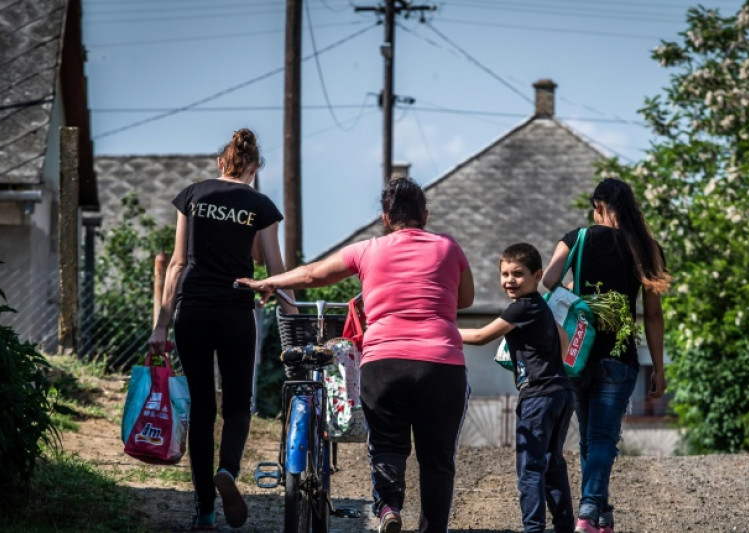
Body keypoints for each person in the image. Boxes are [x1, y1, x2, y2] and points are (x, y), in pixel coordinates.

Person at [235, 177, 475, 533]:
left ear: (385, 217)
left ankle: (389, 508)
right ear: (425, 214)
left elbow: (314, 274)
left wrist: (272, 282)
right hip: (441, 364)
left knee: (387, 444)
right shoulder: (449, 247)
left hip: (384, 364)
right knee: (437, 460)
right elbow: (466, 300)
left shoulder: (367, 249)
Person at [148, 128, 291, 530]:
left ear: (221, 163)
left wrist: (161, 326)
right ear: (254, 167)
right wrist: (291, 309)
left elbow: (176, 265)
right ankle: (227, 469)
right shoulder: (260, 205)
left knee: (201, 409)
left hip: (191, 310)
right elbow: (275, 269)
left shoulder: (192, 196)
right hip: (235, 310)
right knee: (238, 402)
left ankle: (206, 512)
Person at [542, 177, 671, 533]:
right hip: (620, 355)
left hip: (578, 353)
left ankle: (598, 512)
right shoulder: (647, 248)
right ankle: (591, 512)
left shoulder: (577, 238)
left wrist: (574, 287)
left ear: (598, 206)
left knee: (589, 438)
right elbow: (654, 315)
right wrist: (657, 368)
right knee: (601, 438)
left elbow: (548, 280)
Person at [459, 243, 575, 533]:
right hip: (560, 391)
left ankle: (533, 527)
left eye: (518, 274)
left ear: (537, 276)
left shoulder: (521, 307)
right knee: (552, 463)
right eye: (505, 274)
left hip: (537, 396)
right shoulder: (541, 306)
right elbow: (563, 340)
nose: (510, 280)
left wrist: (436, 328)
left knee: (530, 468)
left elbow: (481, 336)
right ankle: (563, 525)